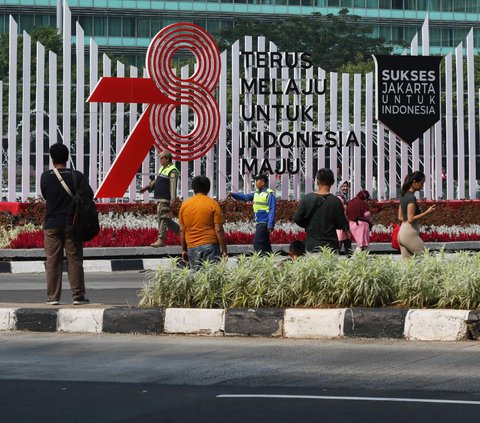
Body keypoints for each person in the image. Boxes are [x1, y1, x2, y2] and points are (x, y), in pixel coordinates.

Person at [40, 143, 92, 305]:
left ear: (52, 159)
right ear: (68, 157)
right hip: (72, 224)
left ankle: (53, 298)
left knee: (52, 261)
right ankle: (78, 296)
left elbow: (46, 195)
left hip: (52, 224)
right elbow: (89, 195)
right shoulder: (77, 176)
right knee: (74, 259)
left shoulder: (46, 176)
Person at [179, 175, 228, 270]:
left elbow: (182, 230)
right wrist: (224, 250)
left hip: (192, 246)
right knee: (211, 278)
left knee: (196, 278)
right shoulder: (213, 204)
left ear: (193, 188)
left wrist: (184, 250)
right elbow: (218, 230)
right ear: (208, 188)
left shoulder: (185, 205)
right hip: (210, 246)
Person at [293, 168, 347, 253]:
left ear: (317, 181)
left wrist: (308, 225)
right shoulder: (336, 201)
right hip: (330, 246)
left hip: (312, 244)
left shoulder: (307, 198)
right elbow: (341, 224)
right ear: (333, 182)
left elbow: (297, 218)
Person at [140, 150, 180, 247]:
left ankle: (161, 240)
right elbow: (157, 181)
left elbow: (173, 185)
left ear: (167, 159)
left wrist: (172, 200)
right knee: (165, 220)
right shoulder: (163, 169)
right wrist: (147, 187)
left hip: (165, 198)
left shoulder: (173, 170)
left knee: (162, 218)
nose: (160, 160)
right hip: (160, 198)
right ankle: (183, 233)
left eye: (161, 158)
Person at [228, 174, 277, 254]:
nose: (256, 183)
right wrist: (233, 195)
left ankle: (261, 260)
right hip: (259, 222)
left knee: (258, 242)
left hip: (264, 222)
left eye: (257, 181)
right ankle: (269, 260)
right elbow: (245, 197)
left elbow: (272, 209)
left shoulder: (269, 194)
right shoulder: (257, 193)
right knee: (265, 243)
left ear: (262, 182)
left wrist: (270, 224)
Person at [397, 171, 436, 258]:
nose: (422, 186)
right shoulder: (411, 198)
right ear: (415, 182)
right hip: (410, 233)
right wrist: (427, 212)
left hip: (402, 233)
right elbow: (410, 219)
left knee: (408, 267)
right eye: (421, 183)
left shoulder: (403, 196)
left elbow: (400, 217)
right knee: (429, 260)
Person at [336, 181, 352, 255]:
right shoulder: (339, 198)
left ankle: (349, 259)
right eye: (343, 186)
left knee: (346, 240)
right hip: (341, 223)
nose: (345, 188)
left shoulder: (345, 197)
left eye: (346, 186)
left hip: (345, 222)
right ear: (340, 187)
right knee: (340, 240)